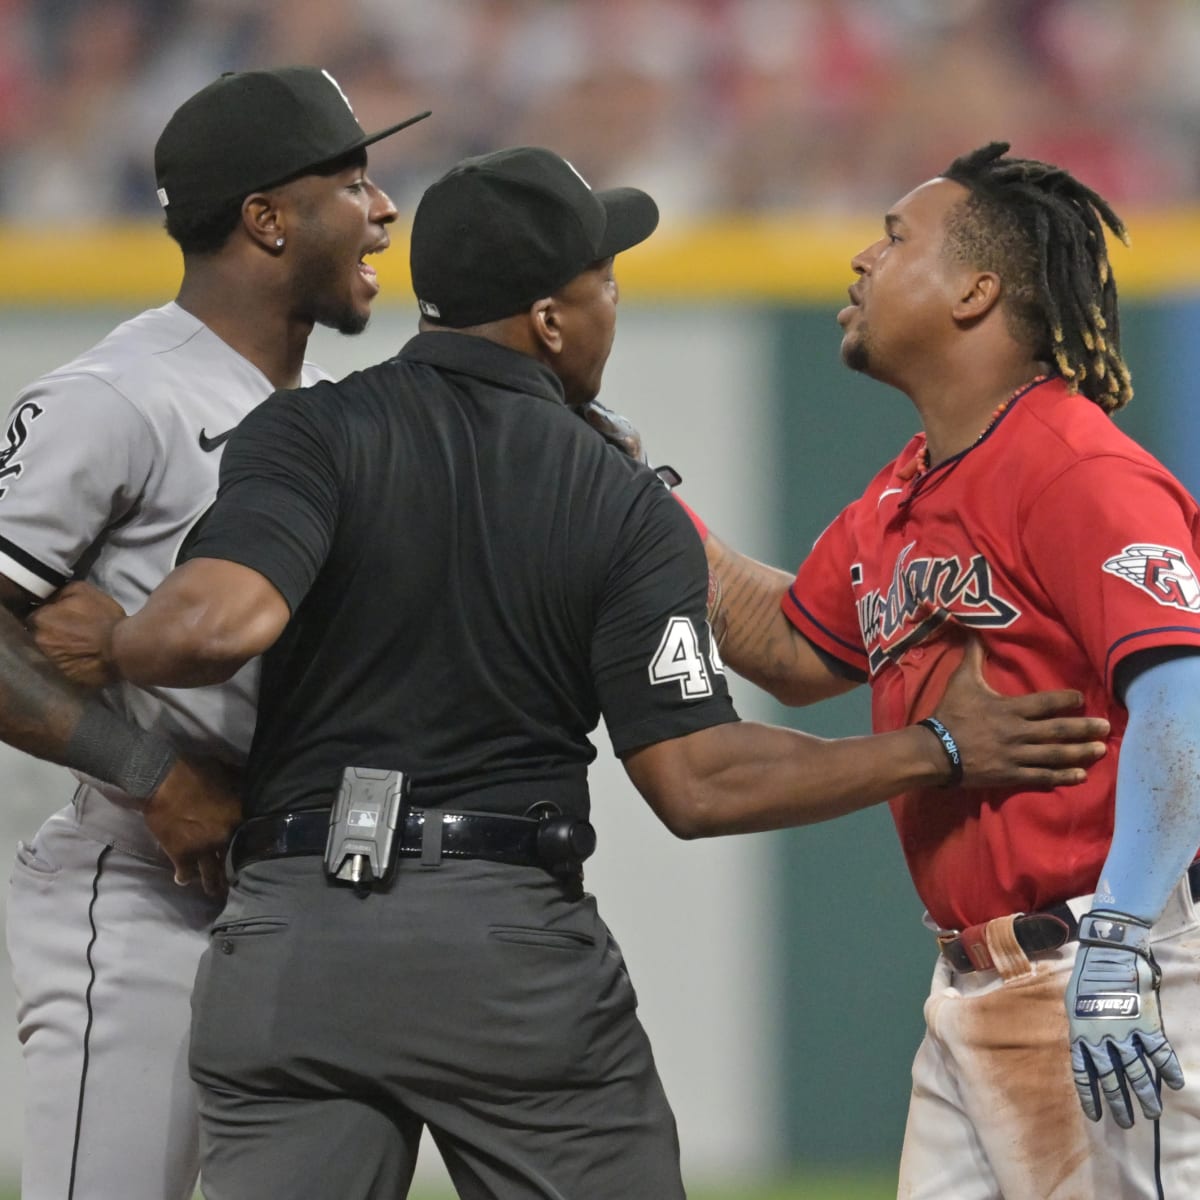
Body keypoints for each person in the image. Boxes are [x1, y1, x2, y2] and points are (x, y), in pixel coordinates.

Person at [30, 145, 1109, 1200]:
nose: (612, 304)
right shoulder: (612, 498)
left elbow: (219, 620)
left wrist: (115, 642)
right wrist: (940, 751)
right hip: (497, 951)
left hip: (290, 941)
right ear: (549, 321)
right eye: (604, 284)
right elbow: (698, 783)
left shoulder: (305, 430)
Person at [667, 142, 1200, 1199]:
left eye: (897, 237)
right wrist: (640, 500)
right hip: (972, 989)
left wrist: (1121, 942)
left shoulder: (1077, 467)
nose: (863, 259)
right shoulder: (901, 496)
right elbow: (789, 649)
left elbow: (1183, 703)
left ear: (975, 287)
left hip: (1109, 966)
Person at [1, 66, 427, 1200]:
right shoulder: (119, 394)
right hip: (143, 885)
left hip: (293, 887)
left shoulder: (321, 414)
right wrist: (150, 774)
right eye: (351, 182)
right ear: (267, 218)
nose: (383, 208)